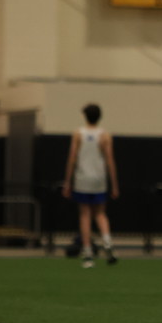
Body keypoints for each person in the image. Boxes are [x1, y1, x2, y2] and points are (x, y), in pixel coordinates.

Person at [61, 103, 119, 268]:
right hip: (99, 179)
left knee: (85, 215)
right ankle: (107, 241)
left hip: (82, 179)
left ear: (85, 116)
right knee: (100, 213)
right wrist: (114, 185)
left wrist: (67, 182)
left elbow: (72, 158)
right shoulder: (105, 135)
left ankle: (88, 254)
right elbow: (110, 160)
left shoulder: (78, 134)